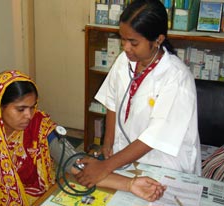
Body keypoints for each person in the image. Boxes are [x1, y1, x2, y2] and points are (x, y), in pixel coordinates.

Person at [0, 70, 165, 206]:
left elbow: (74, 163)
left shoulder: (38, 125)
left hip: (43, 196)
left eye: (32, 107)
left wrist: (129, 184)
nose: (29, 116)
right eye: (20, 109)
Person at [75, 0, 201, 189]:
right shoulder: (124, 61)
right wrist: (107, 145)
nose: (125, 47)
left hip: (163, 162)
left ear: (158, 40)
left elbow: (155, 136)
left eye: (133, 42)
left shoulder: (177, 78)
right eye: (122, 39)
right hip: (124, 157)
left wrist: (105, 166)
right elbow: (112, 101)